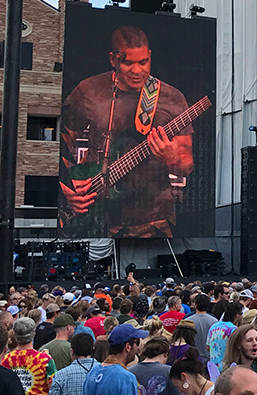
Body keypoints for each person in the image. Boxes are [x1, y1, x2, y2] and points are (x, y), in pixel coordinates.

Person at [60, 24, 196, 238]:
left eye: (143, 62)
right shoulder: (87, 91)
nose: (137, 70)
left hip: (152, 220)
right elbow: (63, 143)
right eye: (128, 63)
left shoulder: (172, 98)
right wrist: (66, 189)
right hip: (97, 217)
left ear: (150, 56)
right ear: (113, 59)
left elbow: (187, 164)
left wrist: (172, 159)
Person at [208, 301, 242, 371]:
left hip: (213, 368)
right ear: (237, 315)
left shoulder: (213, 327)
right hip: (228, 368)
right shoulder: (234, 330)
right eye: (241, 314)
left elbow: (208, 347)